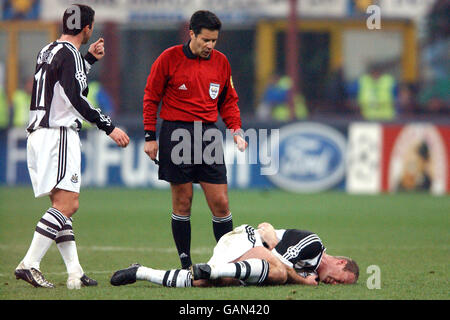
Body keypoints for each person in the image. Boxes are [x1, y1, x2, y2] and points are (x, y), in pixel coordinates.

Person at [14, 4, 130, 289]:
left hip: (39, 132)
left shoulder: (49, 49)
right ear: (88, 28)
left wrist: (88, 59)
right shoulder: (71, 56)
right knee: (69, 204)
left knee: (60, 205)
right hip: (59, 134)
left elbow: (62, 82)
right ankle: (29, 263)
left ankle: (75, 272)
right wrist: (109, 126)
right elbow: (76, 97)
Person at [142, 10, 247, 270]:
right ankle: (185, 262)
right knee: (183, 200)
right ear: (192, 34)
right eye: (205, 40)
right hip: (176, 133)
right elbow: (151, 97)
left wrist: (236, 129)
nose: (210, 46)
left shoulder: (221, 62)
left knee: (221, 203)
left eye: (214, 41)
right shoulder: (168, 59)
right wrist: (149, 136)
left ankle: (226, 263)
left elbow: (229, 100)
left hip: (209, 134)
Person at [110, 222, 359, 288]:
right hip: (242, 240)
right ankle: (216, 270)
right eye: (340, 278)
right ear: (340, 262)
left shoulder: (311, 270)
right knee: (281, 273)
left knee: (200, 282)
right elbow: (275, 260)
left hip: (246, 258)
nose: (334, 283)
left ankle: (140, 271)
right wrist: (302, 281)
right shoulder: (313, 244)